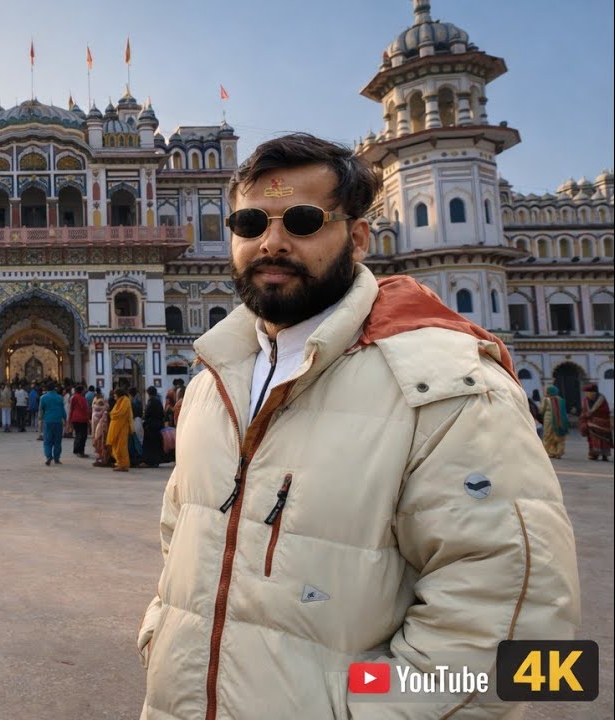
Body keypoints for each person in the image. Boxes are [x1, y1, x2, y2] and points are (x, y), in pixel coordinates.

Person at [137, 133, 579, 718]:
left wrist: (361, 706)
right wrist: (161, 634)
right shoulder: (212, 384)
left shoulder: (445, 384)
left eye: (302, 221)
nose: (272, 242)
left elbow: (523, 631)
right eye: (248, 223)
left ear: (359, 237)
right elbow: (183, 538)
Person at [580, 383, 611, 461]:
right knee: (592, 440)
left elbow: (606, 411)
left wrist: (592, 413)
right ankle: (594, 454)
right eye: (586, 392)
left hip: (602, 424)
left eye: (589, 392)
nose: (587, 394)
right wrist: (585, 415)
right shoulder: (585, 400)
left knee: (604, 439)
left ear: (594, 392)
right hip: (590, 423)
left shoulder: (601, 399)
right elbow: (584, 410)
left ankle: (604, 455)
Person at [38, 382, 66, 465]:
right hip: (58, 421)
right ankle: (57, 458)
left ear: (46, 389)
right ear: (55, 388)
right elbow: (63, 410)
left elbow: (41, 410)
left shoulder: (43, 397)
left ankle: (49, 456)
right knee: (57, 440)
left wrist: (40, 419)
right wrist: (65, 419)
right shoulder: (60, 397)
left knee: (47, 440)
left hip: (48, 421)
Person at [106, 387, 132, 472]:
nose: (114, 397)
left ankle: (123, 465)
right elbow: (113, 413)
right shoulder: (119, 401)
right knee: (116, 446)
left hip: (122, 427)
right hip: (117, 427)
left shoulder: (125, 401)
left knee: (121, 447)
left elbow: (120, 413)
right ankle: (119, 463)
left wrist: (112, 414)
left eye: (115, 395)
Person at [540, 384, 568, 459]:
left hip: (549, 419)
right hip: (560, 420)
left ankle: (549, 452)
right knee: (558, 436)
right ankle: (559, 452)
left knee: (548, 436)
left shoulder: (546, 399)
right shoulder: (561, 400)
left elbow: (541, 410)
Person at [140, 386, 165, 469]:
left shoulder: (151, 402)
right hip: (158, 425)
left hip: (150, 426)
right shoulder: (159, 401)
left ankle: (149, 461)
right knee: (156, 444)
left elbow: (147, 414)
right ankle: (156, 461)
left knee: (149, 445)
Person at [68, 384, 90, 458]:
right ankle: (81, 451)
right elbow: (85, 410)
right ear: (82, 391)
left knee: (77, 435)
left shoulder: (73, 397)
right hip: (82, 419)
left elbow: (71, 409)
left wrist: (69, 420)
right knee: (83, 436)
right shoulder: (83, 399)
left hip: (75, 418)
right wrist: (88, 420)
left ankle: (76, 450)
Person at [90, 393, 110, 467]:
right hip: (102, 431)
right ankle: (103, 458)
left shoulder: (94, 412)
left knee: (98, 446)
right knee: (102, 445)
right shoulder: (105, 412)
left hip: (97, 431)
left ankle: (100, 459)